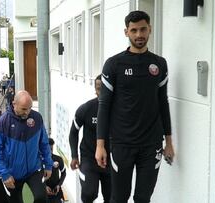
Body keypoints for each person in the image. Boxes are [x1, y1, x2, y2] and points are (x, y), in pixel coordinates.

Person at [95, 11, 175, 203]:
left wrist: (169, 142)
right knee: (119, 197)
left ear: (150, 30)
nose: (139, 34)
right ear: (126, 32)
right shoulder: (114, 64)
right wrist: (100, 145)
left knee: (143, 197)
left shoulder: (159, 64)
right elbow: (104, 105)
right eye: (134, 30)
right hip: (122, 144)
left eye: (143, 29)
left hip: (152, 144)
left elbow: (163, 103)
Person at [0, 90, 53, 203]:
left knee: (41, 198)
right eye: (24, 109)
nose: (27, 112)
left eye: (30, 108)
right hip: (12, 173)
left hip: (34, 169)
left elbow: (44, 143)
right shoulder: (3, 122)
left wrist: (48, 164)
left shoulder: (37, 118)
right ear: (14, 104)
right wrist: (4, 174)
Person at [69, 75, 111, 203]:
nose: (101, 92)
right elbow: (73, 133)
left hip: (111, 160)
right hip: (89, 159)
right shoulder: (86, 109)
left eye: (104, 89)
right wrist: (74, 156)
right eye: (98, 89)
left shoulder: (118, 110)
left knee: (113, 198)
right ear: (95, 90)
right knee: (89, 193)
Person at [45, 138, 66, 203]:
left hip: (56, 189)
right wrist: (44, 186)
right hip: (44, 190)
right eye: (48, 149)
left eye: (51, 149)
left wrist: (59, 185)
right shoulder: (40, 161)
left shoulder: (58, 159)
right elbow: (37, 177)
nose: (50, 151)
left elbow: (64, 173)